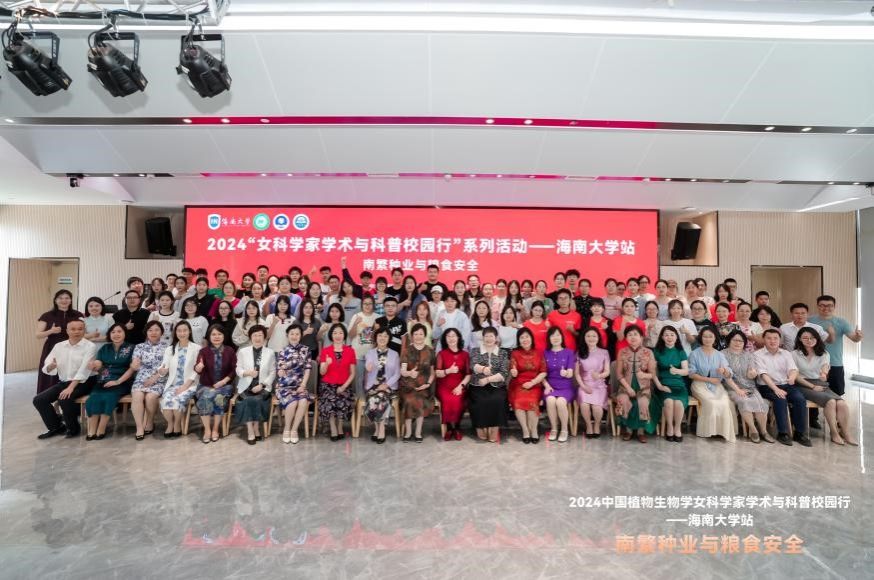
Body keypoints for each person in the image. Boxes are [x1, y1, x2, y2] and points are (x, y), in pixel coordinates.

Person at [792, 328, 857, 445]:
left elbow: (825, 367)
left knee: (841, 403)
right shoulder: (794, 354)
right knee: (831, 401)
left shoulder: (824, 353)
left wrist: (824, 373)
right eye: (805, 338)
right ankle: (834, 433)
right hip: (802, 384)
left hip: (820, 383)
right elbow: (795, 376)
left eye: (812, 337)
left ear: (817, 339)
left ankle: (846, 433)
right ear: (800, 339)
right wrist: (812, 386)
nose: (809, 340)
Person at [32, 319, 96, 439]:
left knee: (65, 398)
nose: (76, 331)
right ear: (67, 331)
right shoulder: (59, 346)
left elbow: (84, 370)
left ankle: (73, 429)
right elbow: (48, 362)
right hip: (64, 381)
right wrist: (50, 366)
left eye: (80, 329)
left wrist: (70, 388)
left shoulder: (90, 346)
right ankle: (56, 427)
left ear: (84, 330)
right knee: (39, 400)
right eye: (73, 329)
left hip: (85, 381)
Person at [754, 328, 811, 447]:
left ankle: (800, 433)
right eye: (769, 338)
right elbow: (763, 375)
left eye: (775, 338)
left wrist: (792, 377)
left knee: (800, 399)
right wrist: (776, 389)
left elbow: (793, 369)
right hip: (767, 386)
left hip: (786, 384)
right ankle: (782, 433)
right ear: (764, 340)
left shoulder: (786, 353)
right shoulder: (757, 354)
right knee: (780, 399)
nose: (772, 341)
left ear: (780, 340)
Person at [84, 323, 135, 440]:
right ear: (109, 334)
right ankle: (92, 430)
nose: (116, 334)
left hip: (122, 381)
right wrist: (93, 365)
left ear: (125, 333)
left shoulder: (132, 348)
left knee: (109, 397)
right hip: (103, 380)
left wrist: (118, 381)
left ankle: (101, 428)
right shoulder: (104, 348)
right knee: (93, 398)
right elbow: (99, 363)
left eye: (119, 331)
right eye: (113, 332)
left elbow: (132, 369)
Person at [722, 330, 773, 443]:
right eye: (735, 340)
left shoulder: (748, 355)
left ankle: (764, 431)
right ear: (729, 340)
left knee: (761, 403)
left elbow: (752, 372)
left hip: (750, 386)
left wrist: (752, 373)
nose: (737, 343)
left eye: (740, 341)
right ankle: (753, 430)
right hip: (732, 387)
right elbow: (725, 376)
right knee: (744, 401)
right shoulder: (722, 354)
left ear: (744, 343)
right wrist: (738, 390)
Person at [809, 294, 863, 398]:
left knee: (837, 395)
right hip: (814, 363)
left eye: (829, 305)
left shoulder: (841, 322)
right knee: (815, 395)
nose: (826, 308)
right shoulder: (810, 321)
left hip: (835, 363)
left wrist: (858, 336)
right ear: (817, 306)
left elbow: (854, 339)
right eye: (822, 305)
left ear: (834, 306)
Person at [688, 327, 736, 442]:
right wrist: (709, 380)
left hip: (717, 385)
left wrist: (724, 371)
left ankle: (722, 432)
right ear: (701, 338)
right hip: (699, 385)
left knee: (725, 403)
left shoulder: (719, 355)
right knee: (711, 403)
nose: (707, 339)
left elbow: (729, 373)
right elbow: (691, 374)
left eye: (710, 336)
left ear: (715, 338)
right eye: (705, 336)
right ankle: (708, 431)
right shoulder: (694, 354)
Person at [194, 325, 237, 444]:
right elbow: (197, 369)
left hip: (224, 386)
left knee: (219, 398)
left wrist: (223, 381)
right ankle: (207, 430)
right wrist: (198, 367)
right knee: (205, 398)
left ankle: (215, 429)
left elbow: (234, 370)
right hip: (206, 386)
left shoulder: (230, 351)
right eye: (213, 334)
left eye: (219, 334)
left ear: (224, 336)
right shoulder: (203, 351)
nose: (216, 337)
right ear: (209, 337)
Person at [158, 320, 201, 437]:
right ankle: (170, 424)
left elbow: (197, 371)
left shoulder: (197, 348)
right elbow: (164, 366)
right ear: (175, 332)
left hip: (190, 384)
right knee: (166, 401)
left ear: (189, 331)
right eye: (179, 331)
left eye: (185, 330)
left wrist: (185, 386)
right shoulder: (170, 349)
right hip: (173, 384)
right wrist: (162, 371)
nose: (182, 333)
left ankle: (177, 424)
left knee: (177, 400)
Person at [234, 325, 276, 445]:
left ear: (264, 337)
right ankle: (250, 430)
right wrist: (247, 373)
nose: (257, 338)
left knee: (257, 400)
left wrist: (262, 385)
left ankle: (256, 427)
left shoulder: (270, 352)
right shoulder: (243, 352)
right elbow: (238, 369)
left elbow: (273, 372)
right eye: (255, 335)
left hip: (262, 386)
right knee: (248, 400)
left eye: (260, 335)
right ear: (250, 337)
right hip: (246, 386)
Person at [615, 326, 656, 442]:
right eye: (629, 335)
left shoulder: (648, 352)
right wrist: (628, 388)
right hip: (625, 387)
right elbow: (619, 374)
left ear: (641, 337)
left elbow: (653, 374)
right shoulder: (622, 352)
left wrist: (644, 375)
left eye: (635, 334)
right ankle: (628, 430)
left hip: (644, 388)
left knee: (642, 402)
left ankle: (640, 431)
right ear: (626, 338)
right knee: (623, 400)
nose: (632, 337)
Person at [469, 327, 510, 443]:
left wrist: (488, 379)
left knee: (497, 399)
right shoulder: (475, 350)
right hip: (478, 384)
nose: (488, 338)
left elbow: (504, 373)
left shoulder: (503, 352)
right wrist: (483, 369)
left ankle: (494, 427)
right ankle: (480, 426)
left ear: (496, 338)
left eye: (491, 336)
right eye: (486, 336)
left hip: (497, 385)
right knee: (480, 400)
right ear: (482, 338)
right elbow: (473, 365)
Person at [275, 324, 313, 444]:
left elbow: (307, 369)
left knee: (303, 401)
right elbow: (280, 369)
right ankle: (287, 429)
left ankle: (294, 430)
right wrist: (281, 371)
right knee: (292, 402)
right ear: (287, 335)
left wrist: (303, 385)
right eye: (292, 334)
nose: (294, 336)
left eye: (297, 334)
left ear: (301, 335)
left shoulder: (306, 350)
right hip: (285, 385)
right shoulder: (282, 351)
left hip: (300, 385)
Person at [318, 323, 357, 441]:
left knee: (343, 400)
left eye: (340, 333)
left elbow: (353, 373)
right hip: (327, 385)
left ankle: (340, 426)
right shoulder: (326, 351)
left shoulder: (350, 351)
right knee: (330, 400)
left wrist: (344, 387)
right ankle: (333, 427)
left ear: (344, 335)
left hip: (344, 385)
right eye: (335, 333)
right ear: (331, 335)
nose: (338, 335)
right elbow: (322, 372)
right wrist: (326, 364)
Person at [398, 323, 436, 442]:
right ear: (412, 336)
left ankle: (418, 432)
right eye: (416, 334)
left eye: (421, 334)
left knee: (420, 400)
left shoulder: (430, 351)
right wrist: (410, 373)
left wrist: (428, 384)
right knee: (409, 400)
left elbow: (432, 373)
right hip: (408, 385)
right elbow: (402, 371)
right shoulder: (406, 351)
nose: (418, 336)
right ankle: (408, 432)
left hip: (425, 386)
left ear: (425, 335)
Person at [650, 326, 689, 442]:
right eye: (666, 335)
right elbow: (652, 372)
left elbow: (686, 371)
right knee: (668, 402)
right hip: (663, 384)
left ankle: (677, 428)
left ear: (676, 337)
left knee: (679, 403)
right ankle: (670, 428)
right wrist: (659, 386)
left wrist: (677, 371)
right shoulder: (657, 352)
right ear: (662, 337)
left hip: (679, 385)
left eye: (672, 335)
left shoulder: (681, 352)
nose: (669, 337)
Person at [363, 327, 401, 443]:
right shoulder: (370, 353)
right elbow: (368, 364)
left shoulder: (394, 354)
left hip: (388, 387)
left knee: (380, 397)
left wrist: (386, 385)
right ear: (376, 337)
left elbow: (397, 373)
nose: (382, 338)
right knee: (374, 398)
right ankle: (378, 428)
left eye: (385, 336)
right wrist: (368, 368)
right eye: (380, 335)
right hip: (373, 386)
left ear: (389, 338)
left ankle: (381, 429)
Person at [129, 320, 166, 440]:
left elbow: (167, 367)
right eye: (150, 330)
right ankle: (139, 427)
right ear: (146, 332)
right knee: (137, 396)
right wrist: (134, 365)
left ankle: (149, 422)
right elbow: (135, 364)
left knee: (150, 397)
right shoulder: (139, 347)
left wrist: (155, 378)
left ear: (161, 332)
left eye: (156, 330)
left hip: (159, 379)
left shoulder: (167, 348)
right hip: (141, 378)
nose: (153, 332)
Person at [435, 328, 471, 441]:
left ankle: (456, 427)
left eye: (453, 336)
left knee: (458, 399)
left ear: (458, 338)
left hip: (460, 385)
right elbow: (437, 373)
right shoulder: (441, 354)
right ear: (445, 339)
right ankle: (450, 428)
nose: (451, 338)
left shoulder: (465, 354)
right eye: (448, 336)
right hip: (444, 385)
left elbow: (468, 375)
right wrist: (448, 371)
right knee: (447, 399)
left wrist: (460, 387)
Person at [574, 327, 610, 438]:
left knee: (596, 407)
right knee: (584, 405)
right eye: (588, 336)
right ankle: (589, 425)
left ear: (598, 338)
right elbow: (577, 374)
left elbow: (607, 371)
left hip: (599, 385)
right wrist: (583, 386)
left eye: (594, 336)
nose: (591, 338)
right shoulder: (579, 352)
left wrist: (599, 375)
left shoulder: (604, 352)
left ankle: (597, 425)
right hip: (584, 385)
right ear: (584, 338)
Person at [542, 327, 576, 442]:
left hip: (565, 387)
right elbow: (541, 373)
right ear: (549, 338)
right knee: (550, 400)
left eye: (557, 335)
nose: (555, 338)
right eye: (552, 336)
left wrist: (566, 373)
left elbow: (571, 373)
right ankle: (554, 428)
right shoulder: (545, 353)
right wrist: (546, 386)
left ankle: (564, 430)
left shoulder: (569, 352)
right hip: (550, 386)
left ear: (562, 337)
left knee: (560, 402)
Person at [349, 295, 377, 397]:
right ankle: (360, 402)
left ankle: (370, 402)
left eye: (370, 304)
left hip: (373, 356)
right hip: (357, 355)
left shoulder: (377, 317)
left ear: (373, 305)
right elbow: (350, 336)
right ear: (361, 305)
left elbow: (381, 337)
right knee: (358, 381)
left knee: (371, 381)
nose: (367, 306)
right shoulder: (356, 316)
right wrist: (355, 324)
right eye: (365, 303)